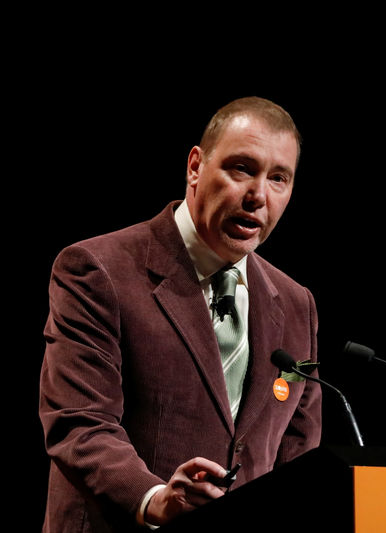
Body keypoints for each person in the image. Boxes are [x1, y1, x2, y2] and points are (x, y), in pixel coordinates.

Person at [39, 96, 322, 532]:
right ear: (195, 167)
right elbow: (80, 423)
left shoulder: (297, 303)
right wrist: (156, 500)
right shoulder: (99, 270)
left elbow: (299, 447)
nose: (258, 195)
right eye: (242, 169)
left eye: (279, 178)